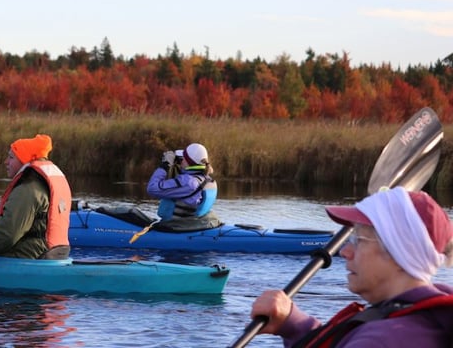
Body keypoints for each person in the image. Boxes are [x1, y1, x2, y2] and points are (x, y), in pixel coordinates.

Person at [249, 187, 453, 347]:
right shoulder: (431, 320)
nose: (346, 251)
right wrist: (293, 325)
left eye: (360, 240)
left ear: (399, 254)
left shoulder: (381, 341)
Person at [0, 134, 72, 259]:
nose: (6, 162)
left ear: (24, 160)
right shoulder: (43, 184)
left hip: (33, 256)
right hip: (56, 253)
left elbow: (5, 238)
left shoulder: (27, 190)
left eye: (11, 157)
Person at [146, 142, 222, 231]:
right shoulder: (207, 180)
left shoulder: (188, 182)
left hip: (175, 227)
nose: (181, 160)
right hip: (194, 226)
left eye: (183, 158)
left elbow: (152, 188)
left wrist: (165, 165)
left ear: (189, 162)